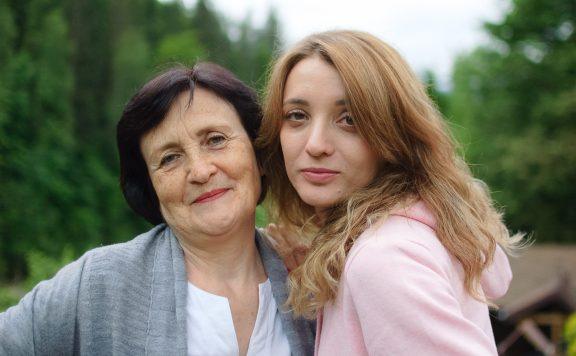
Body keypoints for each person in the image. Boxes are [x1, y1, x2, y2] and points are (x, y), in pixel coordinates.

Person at [0, 62, 315, 355]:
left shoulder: (309, 280)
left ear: (259, 155)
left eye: (216, 140)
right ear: (150, 187)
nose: (200, 171)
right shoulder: (101, 283)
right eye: (170, 158)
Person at [257, 30, 521, 355]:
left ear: (392, 134)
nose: (315, 145)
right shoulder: (400, 241)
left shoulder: (384, 260)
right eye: (297, 116)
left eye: (349, 120)